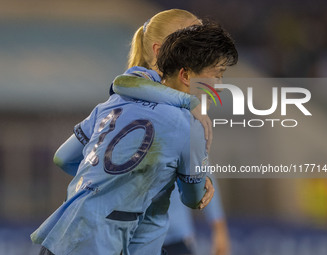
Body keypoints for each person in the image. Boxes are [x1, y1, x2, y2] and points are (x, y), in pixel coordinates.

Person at [30, 22, 237, 255]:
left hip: (61, 238)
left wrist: (105, 180)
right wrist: (200, 183)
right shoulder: (189, 125)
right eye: (217, 76)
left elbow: (63, 158)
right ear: (185, 74)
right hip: (102, 245)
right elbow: (193, 198)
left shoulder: (114, 101)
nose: (219, 86)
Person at [111, 9, 236, 255]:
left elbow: (202, 167)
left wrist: (219, 226)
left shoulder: (181, 106)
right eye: (193, 39)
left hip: (172, 236)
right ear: (160, 51)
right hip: (130, 239)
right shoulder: (130, 102)